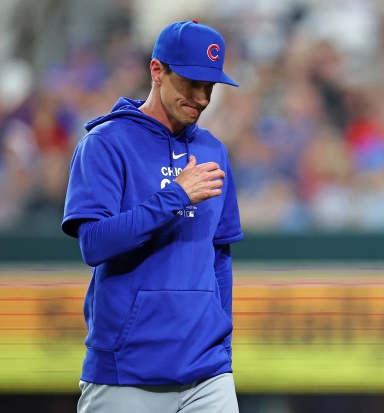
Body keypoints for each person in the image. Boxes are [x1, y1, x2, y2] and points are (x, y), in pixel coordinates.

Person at [61, 20, 242, 413]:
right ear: (157, 70)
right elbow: (94, 243)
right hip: (127, 373)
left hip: (208, 373)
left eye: (209, 86)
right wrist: (175, 196)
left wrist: (223, 345)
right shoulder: (105, 143)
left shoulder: (213, 151)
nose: (202, 97)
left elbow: (220, 256)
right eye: (191, 82)